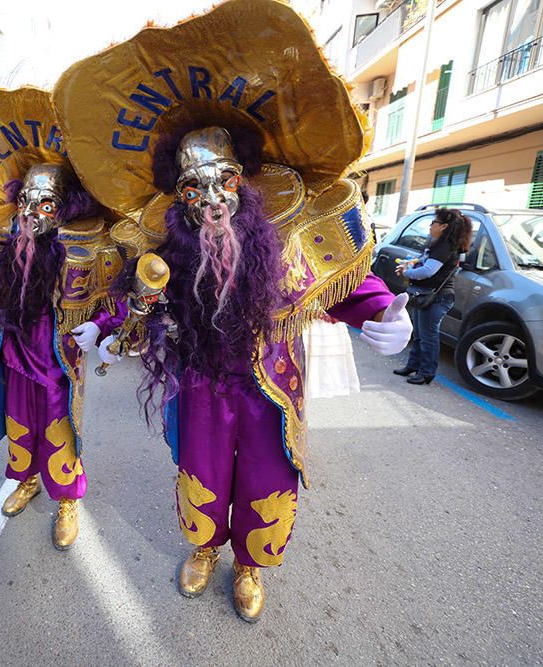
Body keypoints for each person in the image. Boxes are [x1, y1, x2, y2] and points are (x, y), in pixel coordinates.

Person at [51, 0, 413, 622]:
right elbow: (143, 295)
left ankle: (249, 565)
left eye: (223, 181)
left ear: (243, 178)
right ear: (179, 195)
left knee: (267, 476)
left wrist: (383, 311)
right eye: (194, 189)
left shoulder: (288, 226)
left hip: (271, 381)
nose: (213, 200)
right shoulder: (165, 243)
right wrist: (108, 328)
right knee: (203, 468)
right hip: (202, 382)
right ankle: (204, 548)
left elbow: (339, 276)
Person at [0, 87, 125, 550]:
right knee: (20, 423)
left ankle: (66, 500)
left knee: (59, 426)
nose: (33, 216)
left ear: (64, 211)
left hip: (59, 360)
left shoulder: (88, 248)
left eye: (45, 207)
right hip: (15, 354)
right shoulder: (7, 247)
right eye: (27, 205)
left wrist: (102, 325)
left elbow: (117, 295)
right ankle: (25, 480)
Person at [393, 207, 473, 384]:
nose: (430, 226)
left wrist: (407, 273)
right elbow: (423, 263)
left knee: (428, 336)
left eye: (433, 222)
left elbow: (428, 271)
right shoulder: (439, 243)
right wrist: (410, 266)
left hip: (437, 297)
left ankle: (426, 373)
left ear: (443, 226)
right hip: (426, 295)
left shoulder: (445, 246)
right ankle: (413, 366)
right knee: (420, 334)